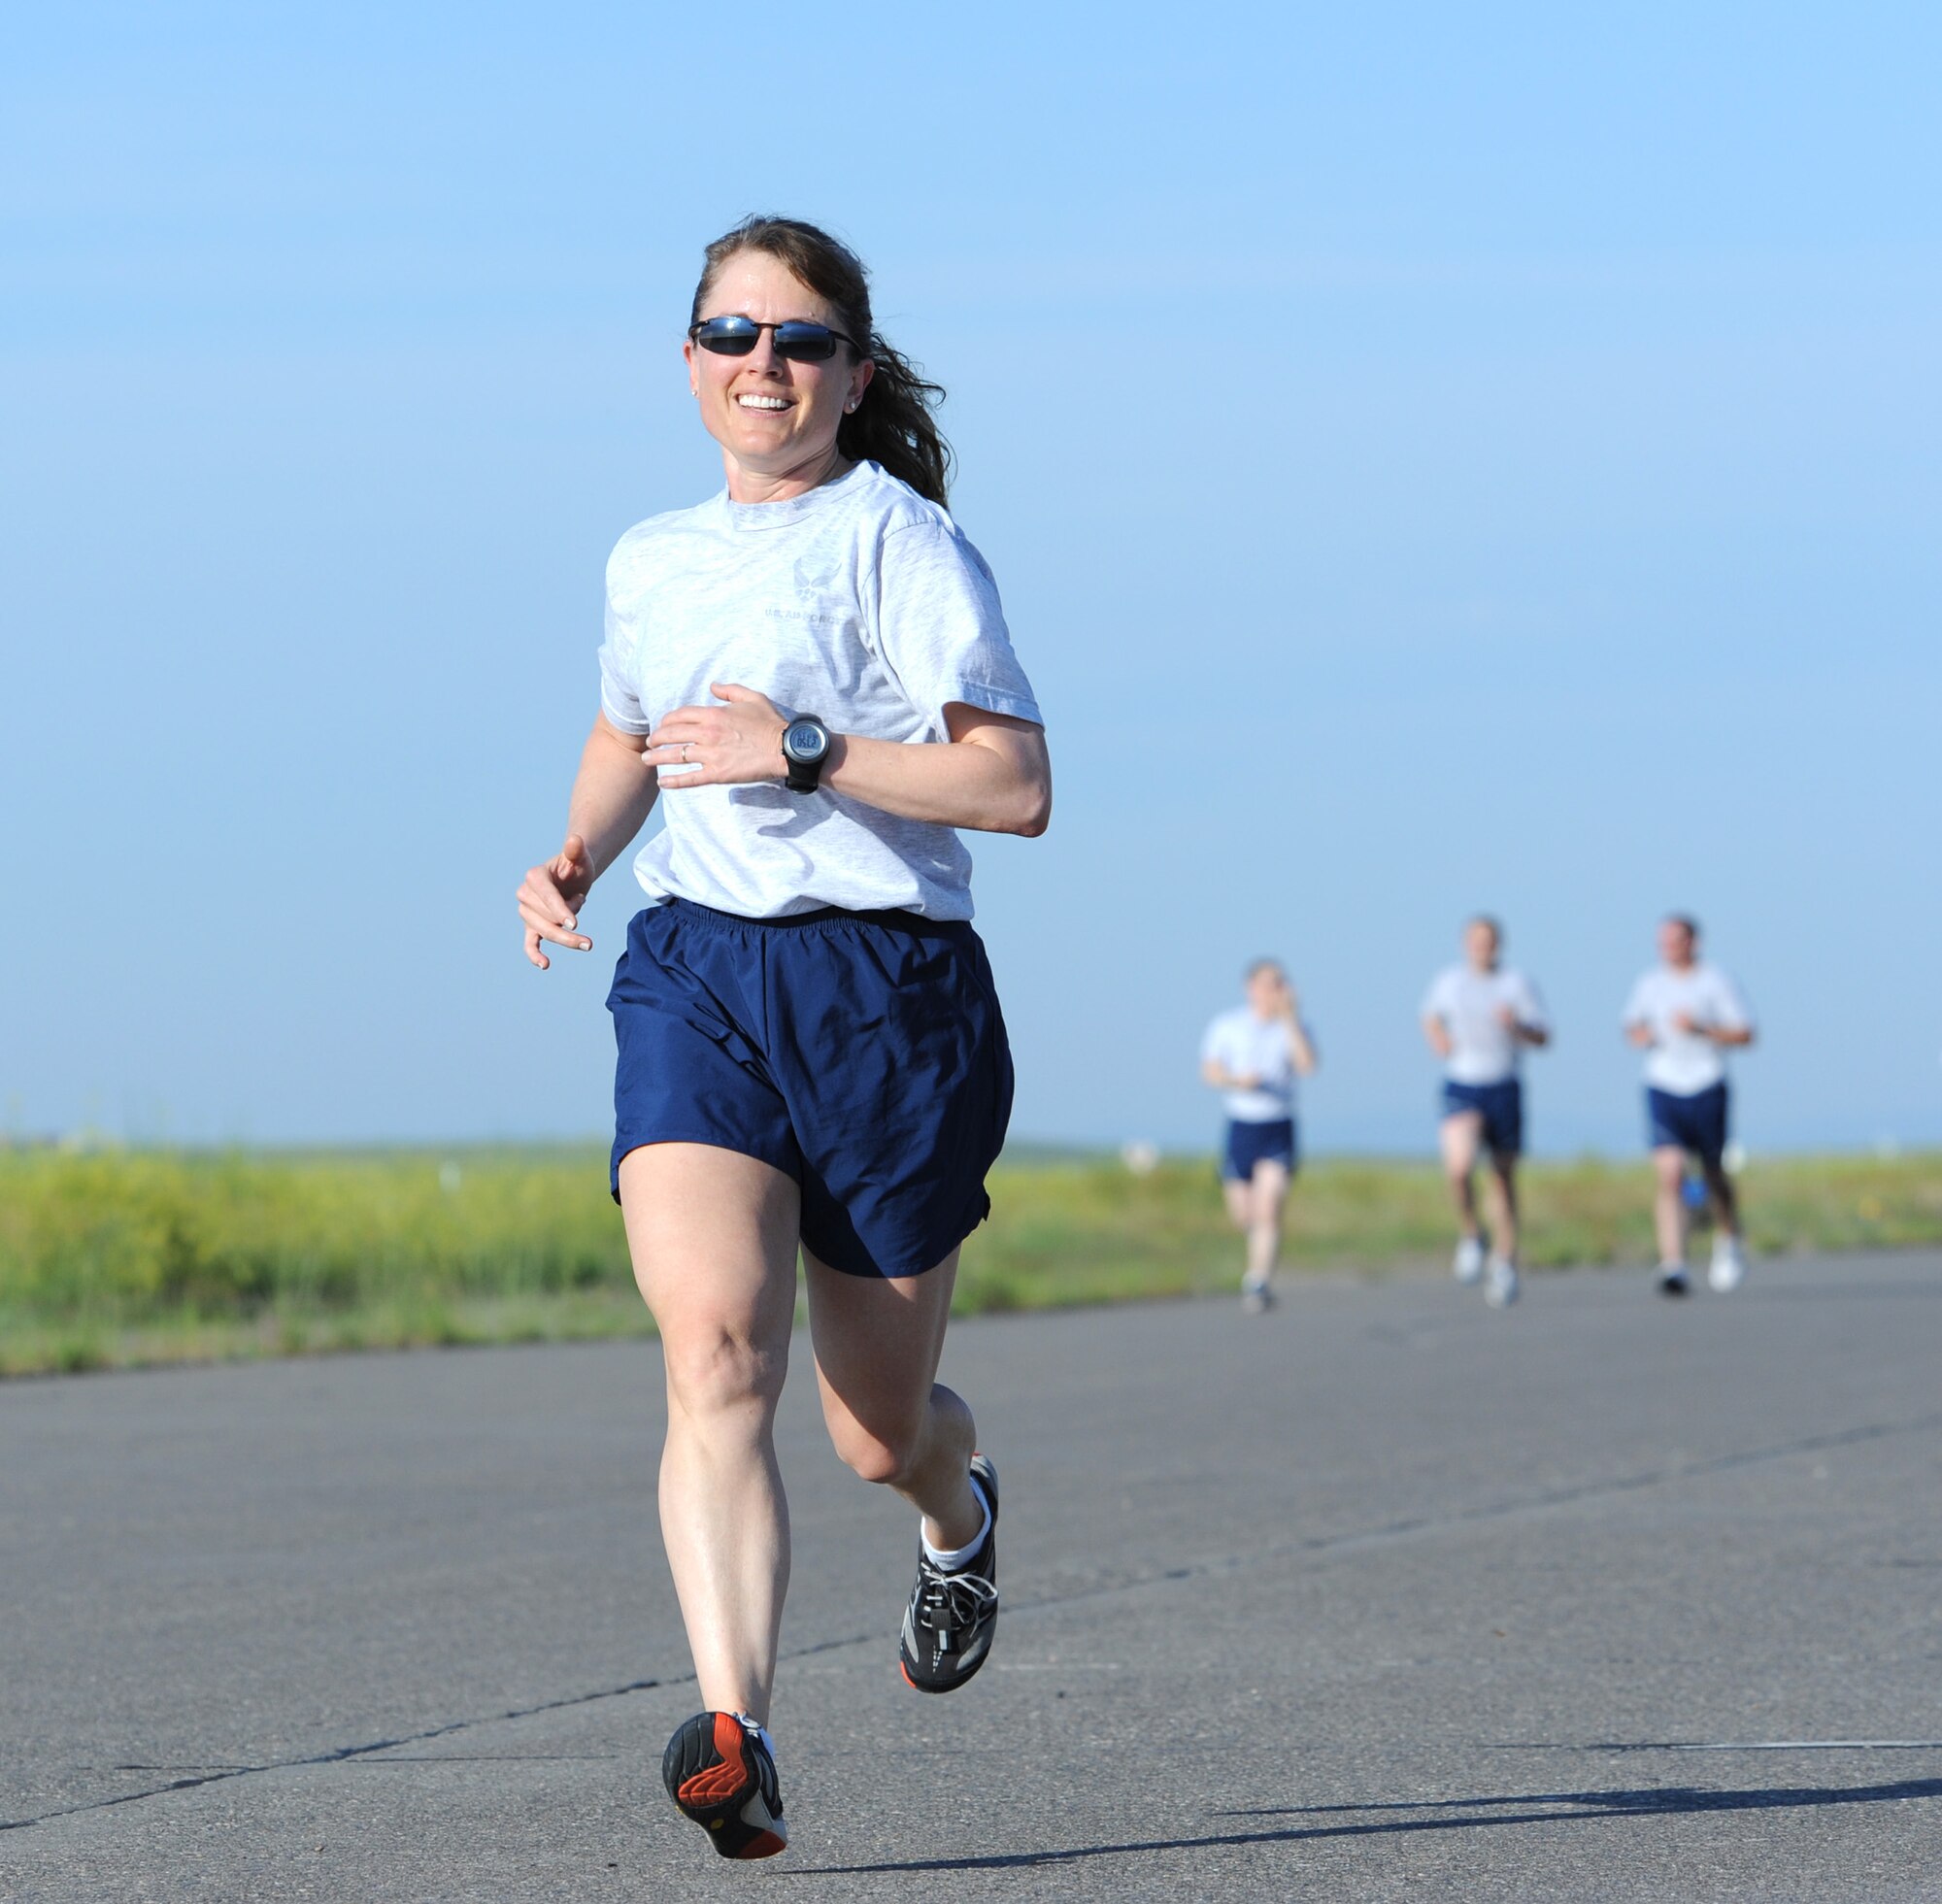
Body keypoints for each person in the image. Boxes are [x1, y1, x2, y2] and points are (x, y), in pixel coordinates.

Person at [515, 217, 1050, 1861]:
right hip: (697, 974)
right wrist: (576, 854)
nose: (767, 363)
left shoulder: (902, 545)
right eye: (733, 333)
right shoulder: (649, 557)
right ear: (688, 361)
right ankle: (734, 1729)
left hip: (888, 998)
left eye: (802, 339)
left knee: (874, 1428)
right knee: (717, 1354)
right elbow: (632, 728)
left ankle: (956, 1525)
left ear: (854, 372)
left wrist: (804, 749)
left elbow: (1012, 787)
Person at [1621, 915, 1756, 1296]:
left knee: (1713, 1172)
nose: (1670, 948)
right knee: (1671, 1172)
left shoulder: (1716, 981)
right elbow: (1632, 1025)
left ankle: (1728, 1236)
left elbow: (1746, 1033)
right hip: (1663, 1085)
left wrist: (1702, 1029)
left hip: (1707, 1082)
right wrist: (1641, 1034)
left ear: (1694, 941)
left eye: (1677, 940)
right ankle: (1673, 1264)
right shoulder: (1650, 984)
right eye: (1664, 941)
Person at [1420, 916, 1550, 1308]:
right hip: (1463, 1081)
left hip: (1504, 1083)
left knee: (1502, 1178)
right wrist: (1439, 1039)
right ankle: (1472, 1233)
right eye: (1475, 940)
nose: (1482, 946)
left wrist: (1517, 1026)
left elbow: (1543, 1036)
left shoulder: (1516, 984)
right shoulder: (1449, 981)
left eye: (1488, 940)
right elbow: (1429, 1015)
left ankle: (1505, 1260)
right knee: (1459, 1166)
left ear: (1499, 944)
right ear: (1464, 943)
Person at [1199, 960, 1318, 1312]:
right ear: (1250, 987)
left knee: (1269, 1207)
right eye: (1268, 983)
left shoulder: (1294, 1026)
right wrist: (1237, 1081)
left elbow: (1308, 1066)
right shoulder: (1228, 1024)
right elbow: (1209, 1070)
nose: (1274, 990)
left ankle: (1258, 1280)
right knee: (1244, 1215)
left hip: (1278, 1125)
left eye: (1280, 983)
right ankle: (1257, 1261)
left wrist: (1290, 1018)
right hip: (1241, 1125)